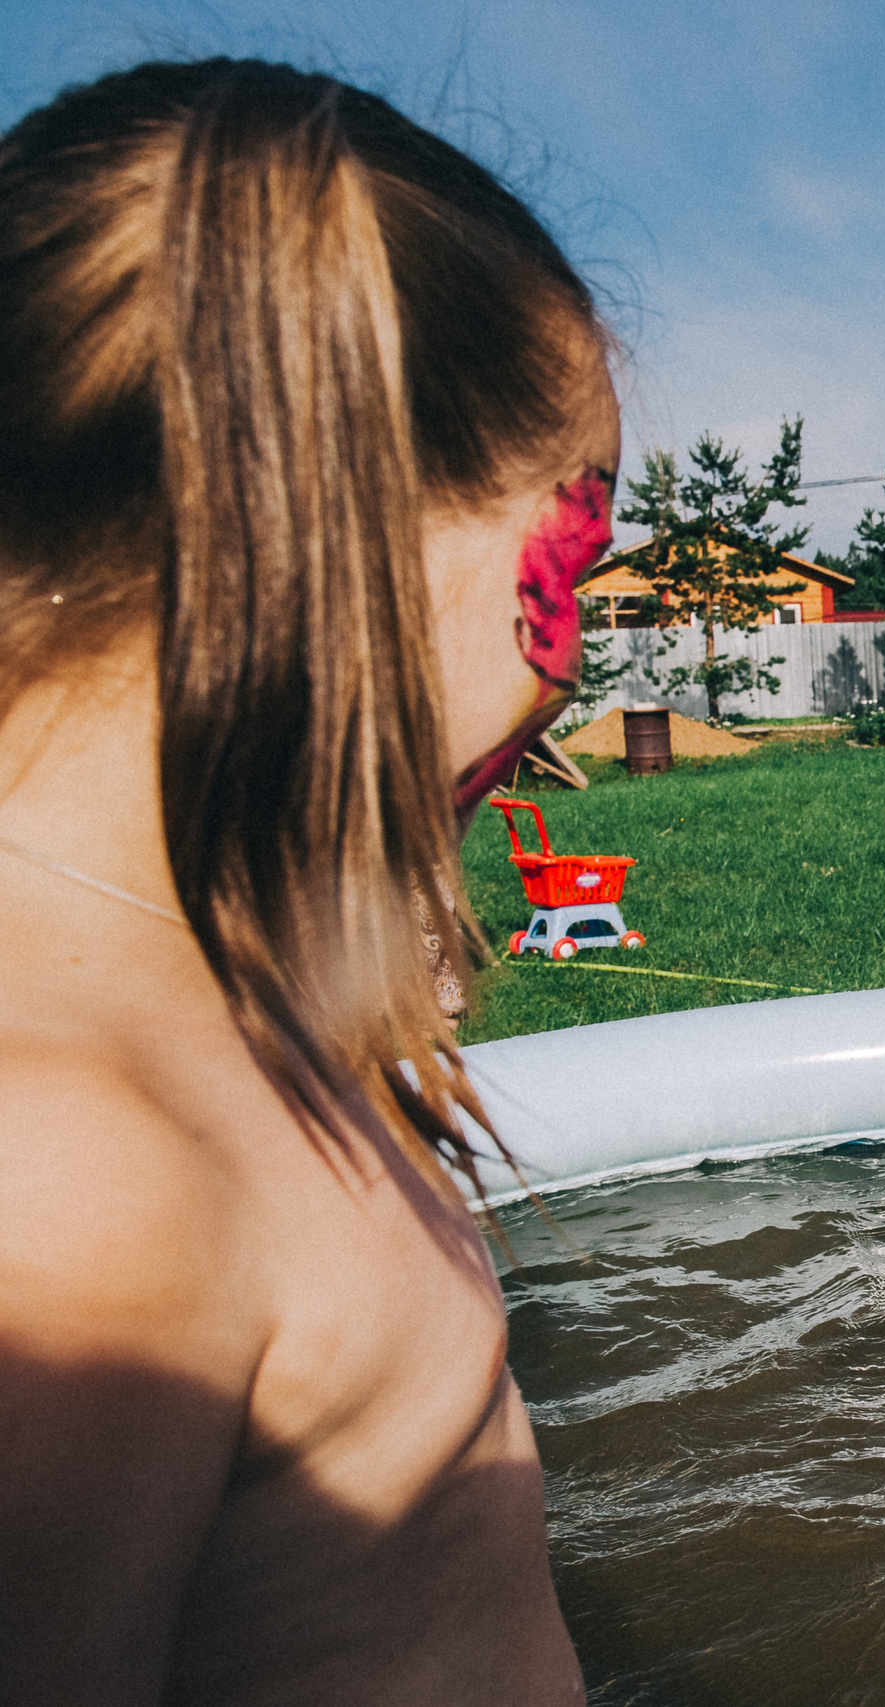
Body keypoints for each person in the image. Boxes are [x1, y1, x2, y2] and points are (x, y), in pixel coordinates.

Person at [0, 61, 617, 1703]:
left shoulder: (193, 995)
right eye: (578, 552)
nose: (576, 656)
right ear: (340, 511)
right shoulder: (76, 1186)